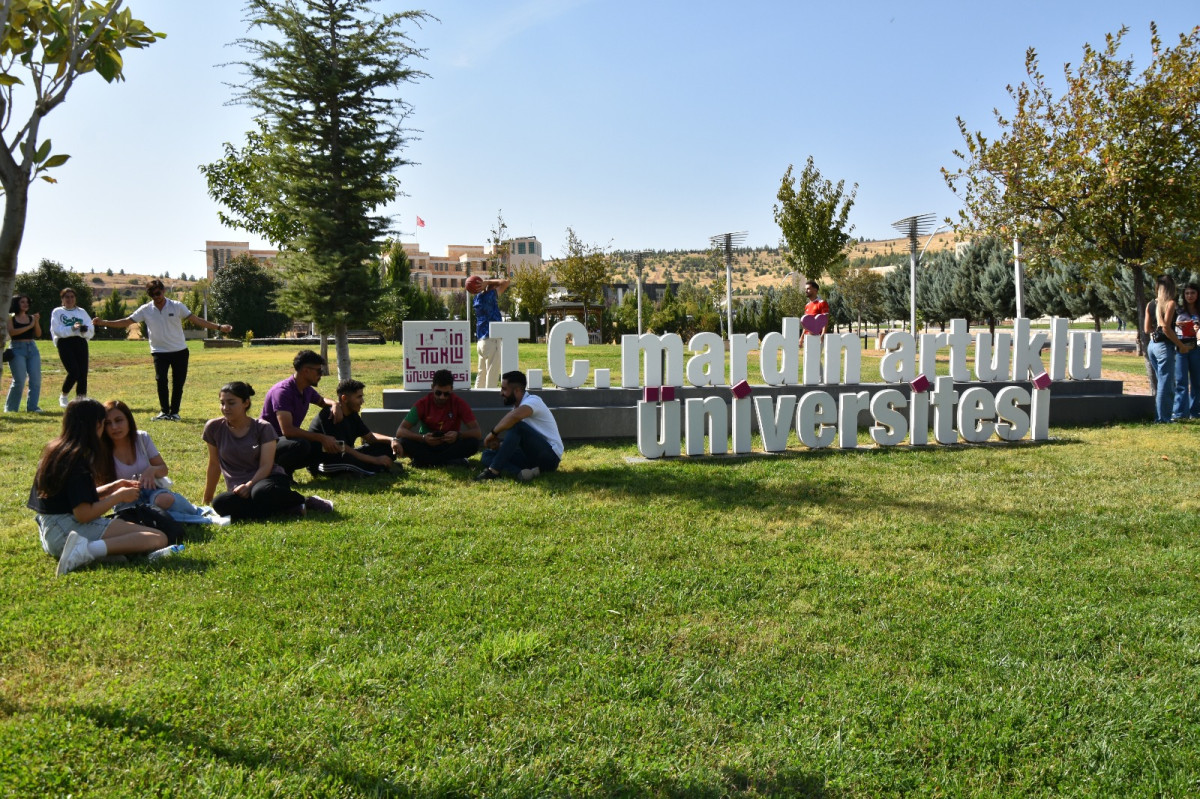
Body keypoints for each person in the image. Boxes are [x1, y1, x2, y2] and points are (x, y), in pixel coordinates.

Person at [29, 398, 174, 576]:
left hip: (51, 532)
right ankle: (85, 551)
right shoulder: (77, 460)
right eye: (103, 423)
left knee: (127, 547)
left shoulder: (57, 450)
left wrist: (113, 487)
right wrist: (119, 496)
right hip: (67, 533)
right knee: (158, 538)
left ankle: (95, 552)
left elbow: (74, 497)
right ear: (96, 425)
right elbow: (83, 514)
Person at [94, 278, 233, 421]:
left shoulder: (177, 306)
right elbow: (126, 322)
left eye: (158, 293)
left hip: (179, 350)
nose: (156, 297)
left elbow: (196, 320)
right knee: (161, 381)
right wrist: (103, 322)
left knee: (178, 383)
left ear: (163, 291)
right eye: (153, 294)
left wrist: (219, 327)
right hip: (159, 351)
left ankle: (175, 413)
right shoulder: (146, 309)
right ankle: (164, 411)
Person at [202, 381, 333, 520]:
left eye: (231, 403)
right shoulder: (213, 427)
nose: (225, 408)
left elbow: (266, 465)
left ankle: (305, 500)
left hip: (267, 479)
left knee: (261, 493)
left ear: (246, 403)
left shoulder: (263, 428)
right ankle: (281, 509)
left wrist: (249, 485)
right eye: (222, 403)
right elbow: (214, 464)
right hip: (238, 487)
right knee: (220, 503)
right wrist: (207, 499)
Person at [99, 399, 228, 525]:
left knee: (164, 500)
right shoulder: (101, 450)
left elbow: (163, 469)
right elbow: (100, 491)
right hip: (127, 500)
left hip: (152, 490)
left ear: (128, 420)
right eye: (108, 423)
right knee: (147, 515)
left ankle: (197, 512)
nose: (114, 427)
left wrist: (152, 470)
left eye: (118, 420)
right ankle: (206, 519)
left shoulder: (141, 438)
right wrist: (120, 491)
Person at [260, 350, 343, 478]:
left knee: (316, 444)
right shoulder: (282, 392)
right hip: (267, 443)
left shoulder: (306, 389)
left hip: (284, 441)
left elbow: (322, 401)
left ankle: (316, 469)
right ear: (306, 371)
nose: (321, 375)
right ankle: (278, 473)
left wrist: (335, 404)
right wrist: (321, 437)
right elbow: (287, 431)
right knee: (301, 445)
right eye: (319, 371)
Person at [475, 369, 564, 483]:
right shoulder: (516, 409)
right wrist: (500, 446)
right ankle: (522, 473)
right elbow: (518, 438)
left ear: (517, 390)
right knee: (488, 454)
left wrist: (492, 434)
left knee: (517, 426)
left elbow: (514, 418)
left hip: (549, 457)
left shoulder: (533, 400)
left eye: (504, 389)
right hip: (530, 457)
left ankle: (493, 471)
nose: (501, 393)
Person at [392, 368, 482, 467]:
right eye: (438, 393)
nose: (442, 397)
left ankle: (426, 461)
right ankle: (449, 461)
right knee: (404, 442)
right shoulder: (422, 404)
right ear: (432, 388)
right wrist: (423, 438)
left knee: (473, 443)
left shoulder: (459, 403)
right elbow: (400, 431)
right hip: (427, 445)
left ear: (451, 389)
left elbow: (477, 432)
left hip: (450, 445)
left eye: (446, 394)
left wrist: (458, 435)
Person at [309, 378, 399, 476]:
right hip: (328, 460)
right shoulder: (329, 414)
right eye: (359, 397)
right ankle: (374, 469)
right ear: (344, 398)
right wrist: (375, 460)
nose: (362, 401)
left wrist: (391, 440)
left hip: (347, 454)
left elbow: (370, 437)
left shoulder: (353, 414)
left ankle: (376, 465)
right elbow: (341, 447)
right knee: (352, 461)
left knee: (387, 447)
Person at [1144, 274, 1192, 423]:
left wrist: (1174, 326)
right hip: (1164, 347)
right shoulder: (1170, 303)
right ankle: (1162, 419)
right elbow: (1164, 327)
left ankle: (1162, 416)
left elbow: (1147, 329)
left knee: (1163, 382)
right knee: (1166, 384)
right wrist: (1181, 345)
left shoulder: (1150, 304)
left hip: (1152, 346)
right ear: (1172, 288)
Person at [50, 287, 94, 407]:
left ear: (75, 298)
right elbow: (57, 330)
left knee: (83, 374)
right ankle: (64, 395)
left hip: (80, 342)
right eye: (67, 297)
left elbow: (91, 328)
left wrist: (84, 330)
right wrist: (72, 328)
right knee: (74, 372)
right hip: (65, 343)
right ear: (62, 299)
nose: (69, 299)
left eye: (72, 297)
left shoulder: (81, 312)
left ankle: (81, 401)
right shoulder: (57, 312)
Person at [468, 274, 510, 388]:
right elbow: (505, 282)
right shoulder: (490, 296)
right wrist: (488, 281)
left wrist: (486, 284)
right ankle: (490, 400)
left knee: (481, 374)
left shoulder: (477, 299)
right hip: (492, 340)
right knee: (492, 375)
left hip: (481, 341)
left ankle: (476, 400)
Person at [6, 293, 42, 412]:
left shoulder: (31, 318)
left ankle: (33, 407)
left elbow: (38, 334)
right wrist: (30, 325)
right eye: (22, 302)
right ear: (16, 304)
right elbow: (12, 333)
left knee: (36, 380)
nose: (25, 304)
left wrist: (35, 322)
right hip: (17, 348)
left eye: (27, 302)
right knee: (20, 380)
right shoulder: (11, 318)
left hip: (32, 348)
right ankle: (11, 409)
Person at [1174, 283, 1200, 420]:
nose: (1190, 296)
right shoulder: (1178, 311)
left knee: (1197, 382)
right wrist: (1177, 325)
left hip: (1196, 349)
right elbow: (1168, 328)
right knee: (1181, 381)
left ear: (1197, 294)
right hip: (1181, 348)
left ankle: (1194, 413)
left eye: (1193, 293)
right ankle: (1179, 413)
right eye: (1187, 293)